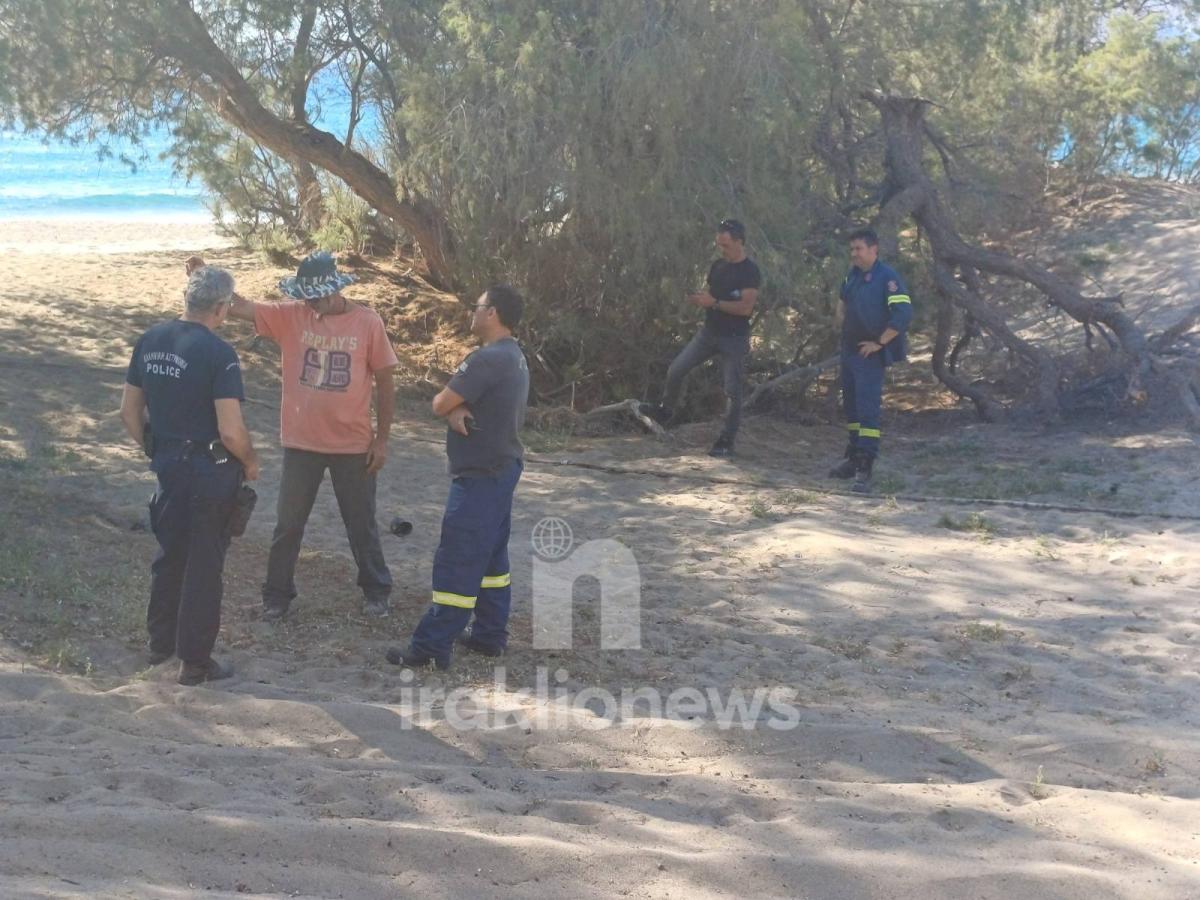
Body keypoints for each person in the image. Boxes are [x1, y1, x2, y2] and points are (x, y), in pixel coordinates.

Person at [186, 251, 399, 619]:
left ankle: (376, 589)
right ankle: (276, 596)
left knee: (360, 522)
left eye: (315, 296)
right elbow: (239, 308)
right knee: (288, 524)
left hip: (353, 444)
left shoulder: (368, 322)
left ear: (335, 290)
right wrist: (205, 278)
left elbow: (385, 380)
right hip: (302, 444)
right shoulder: (291, 315)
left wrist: (381, 440)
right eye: (306, 296)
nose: (310, 303)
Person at [120, 266, 260, 686]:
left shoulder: (150, 340)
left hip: (168, 466)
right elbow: (231, 429)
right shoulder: (219, 353)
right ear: (221, 308)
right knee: (204, 565)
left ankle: (160, 644)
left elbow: (128, 412)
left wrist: (157, 447)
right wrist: (250, 462)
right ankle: (195, 662)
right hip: (209, 470)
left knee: (170, 556)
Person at [388, 285, 529, 670]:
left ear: (493, 314)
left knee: (459, 559)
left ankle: (431, 644)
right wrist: (458, 409)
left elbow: (439, 402)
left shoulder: (486, 359)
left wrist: (452, 410)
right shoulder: (515, 355)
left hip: (481, 477)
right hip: (503, 471)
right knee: (492, 561)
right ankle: (489, 635)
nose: (472, 312)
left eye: (477, 306)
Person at [641, 219, 762, 457]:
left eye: (726, 245)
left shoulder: (750, 271)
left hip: (734, 338)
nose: (722, 249)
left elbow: (746, 308)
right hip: (709, 333)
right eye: (719, 244)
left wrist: (714, 303)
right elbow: (710, 295)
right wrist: (700, 299)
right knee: (676, 369)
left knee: (732, 390)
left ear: (739, 242)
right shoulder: (718, 266)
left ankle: (727, 440)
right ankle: (667, 410)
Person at [828, 227, 913, 493]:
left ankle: (866, 465)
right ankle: (853, 458)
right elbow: (842, 300)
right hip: (850, 351)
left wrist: (879, 343)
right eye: (852, 249)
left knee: (867, 411)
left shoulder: (887, 278)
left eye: (859, 249)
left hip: (869, 355)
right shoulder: (852, 275)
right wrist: (839, 322)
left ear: (873, 249)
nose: (854, 254)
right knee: (852, 409)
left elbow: (903, 314)